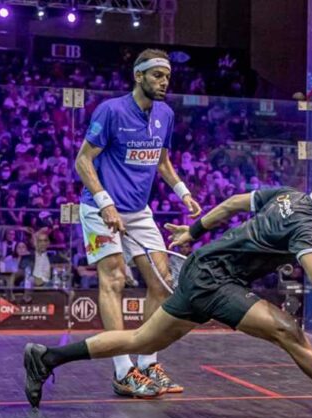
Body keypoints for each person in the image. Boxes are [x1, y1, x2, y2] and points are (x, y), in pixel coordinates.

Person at [25, 162, 312, 418]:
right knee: (287, 330)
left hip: (202, 270)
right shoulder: (307, 224)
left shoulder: (287, 196)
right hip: (215, 280)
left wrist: (192, 232)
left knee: (141, 339)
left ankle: (47, 358)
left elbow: (231, 205)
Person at [73, 48, 202, 398]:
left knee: (161, 283)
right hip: (99, 209)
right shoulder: (111, 110)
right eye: (157, 75)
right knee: (114, 279)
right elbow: (83, 161)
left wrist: (183, 193)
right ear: (138, 75)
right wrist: (105, 204)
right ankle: (122, 370)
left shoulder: (165, 114)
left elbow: (162, 161)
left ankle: (147, 364)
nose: (164, 82)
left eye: (167, 77)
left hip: (139, 211)